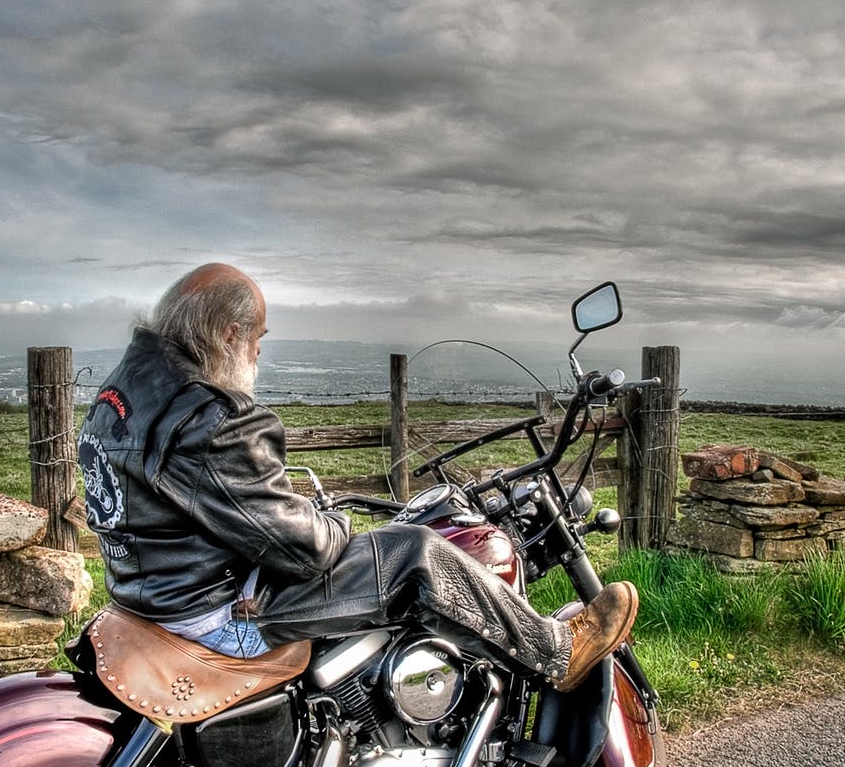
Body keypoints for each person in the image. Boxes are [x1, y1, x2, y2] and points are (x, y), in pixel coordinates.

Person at [77, 262, 637, 691]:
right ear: (227, 335)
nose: (256, 353)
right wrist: (333, 521)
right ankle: (555, 654)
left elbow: (212, 506)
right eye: (258, 339)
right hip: (215, 613)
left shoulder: (121, 393)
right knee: (416, 548)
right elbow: (306, 551)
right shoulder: (205, 416)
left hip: (151, 595)